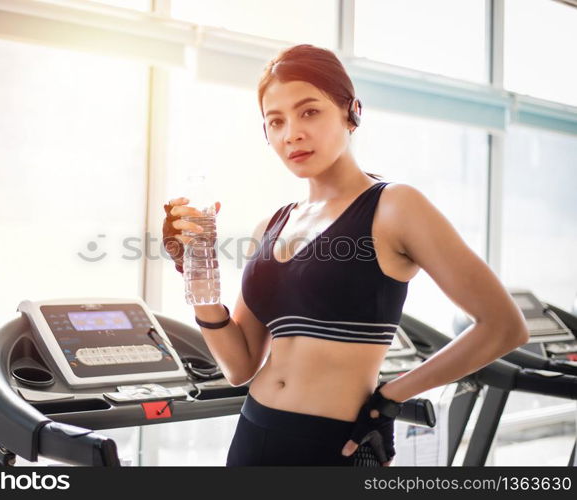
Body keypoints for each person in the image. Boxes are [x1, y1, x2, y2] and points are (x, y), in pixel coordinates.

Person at [162, 44, 529, 466]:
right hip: (253, 433)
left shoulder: (394, 206)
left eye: (309, 112)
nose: (291, 134)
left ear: (350, 111)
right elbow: (240, 366)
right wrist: (196, 276)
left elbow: (504, 326)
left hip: (335, 445)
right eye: (275, 122)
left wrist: (390, 398)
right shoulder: (271, 226)